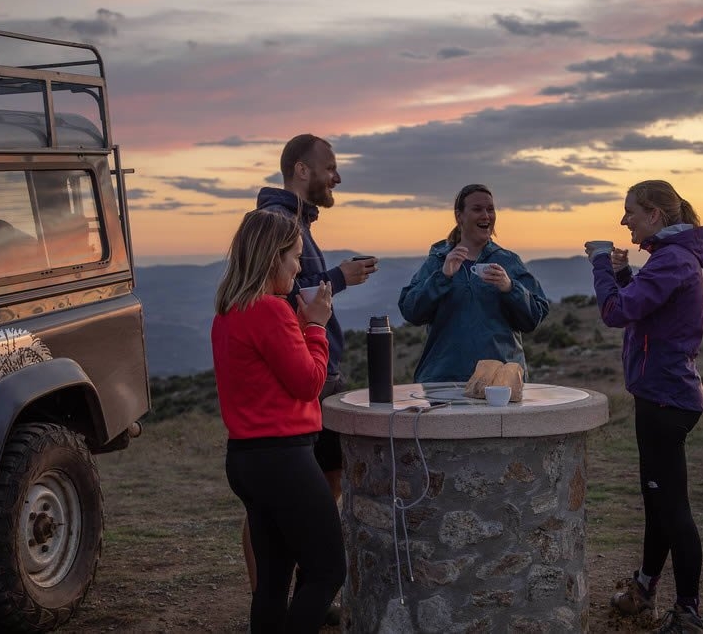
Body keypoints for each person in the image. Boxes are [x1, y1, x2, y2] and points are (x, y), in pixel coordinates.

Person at [252, 133, 376, 620]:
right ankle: (274, 596)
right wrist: (340, 277)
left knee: (330, 473)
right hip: (300, 375)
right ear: (302, 170)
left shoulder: (297, 220)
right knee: (270, 504)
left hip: (323, 370)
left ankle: (306, 592)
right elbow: (279, 293)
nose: (337, 177)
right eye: (330, 167)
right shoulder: (277, 222)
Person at [585, 179, 703, 634]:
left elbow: (616, 313)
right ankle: (644, 588)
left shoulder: (672, 260)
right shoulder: (671, 259)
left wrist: (600, 264)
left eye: (630, 212)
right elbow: (643, 308)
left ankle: (687, 612)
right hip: (663, 394)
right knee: (657, 499)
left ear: (654, 215)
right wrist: (622, 275)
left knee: (672, 507)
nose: (624, 221)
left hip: (665, 398)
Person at [212, 209, 346, 633]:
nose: (297, 267)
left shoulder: (228, 312)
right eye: (294, 257)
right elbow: (308, 382)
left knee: (271, 583)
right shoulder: (270, 311)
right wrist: (317, 327)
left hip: (246, 459)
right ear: (273, 257)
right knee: (327, 571)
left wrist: (302, 325)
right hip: (283, 458)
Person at [398, 183, 549, 383]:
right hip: (443, 382)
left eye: (490, 209)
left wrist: (510, 288)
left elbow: (534, 316)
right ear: (459, 216)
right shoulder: (439, 260)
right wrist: (442, 278)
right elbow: (411, 310)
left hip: (499, 383)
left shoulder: (508, 261)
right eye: (477, 209)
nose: (486, 215)